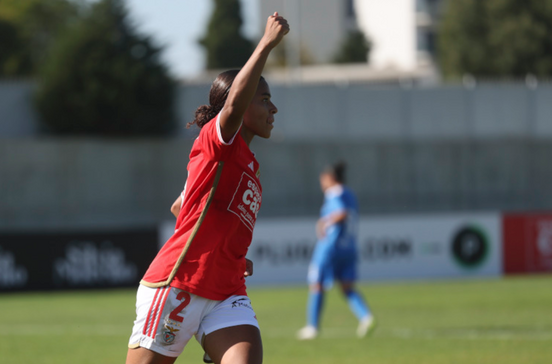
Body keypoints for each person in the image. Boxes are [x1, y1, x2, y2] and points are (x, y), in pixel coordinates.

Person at [126, 12, 289, 364]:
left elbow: (179, 206)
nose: (273, 108)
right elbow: (232, 105)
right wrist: (265, 44)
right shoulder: (218, 142)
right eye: (264, 99)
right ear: (242, 105)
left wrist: (229, 251)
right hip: (179, 284)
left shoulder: (244, 162)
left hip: (226, 291)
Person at [297, 162, 376, 340]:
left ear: (331, 178)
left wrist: (324, 222)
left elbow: (341, 212)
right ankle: (366, 317)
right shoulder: (350, 193)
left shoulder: (335, 192)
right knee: (347, 286)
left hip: (330, 247)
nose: (322, 184)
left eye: (323, 180)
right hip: (349, 247)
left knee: (316, 283)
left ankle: (312, 327)